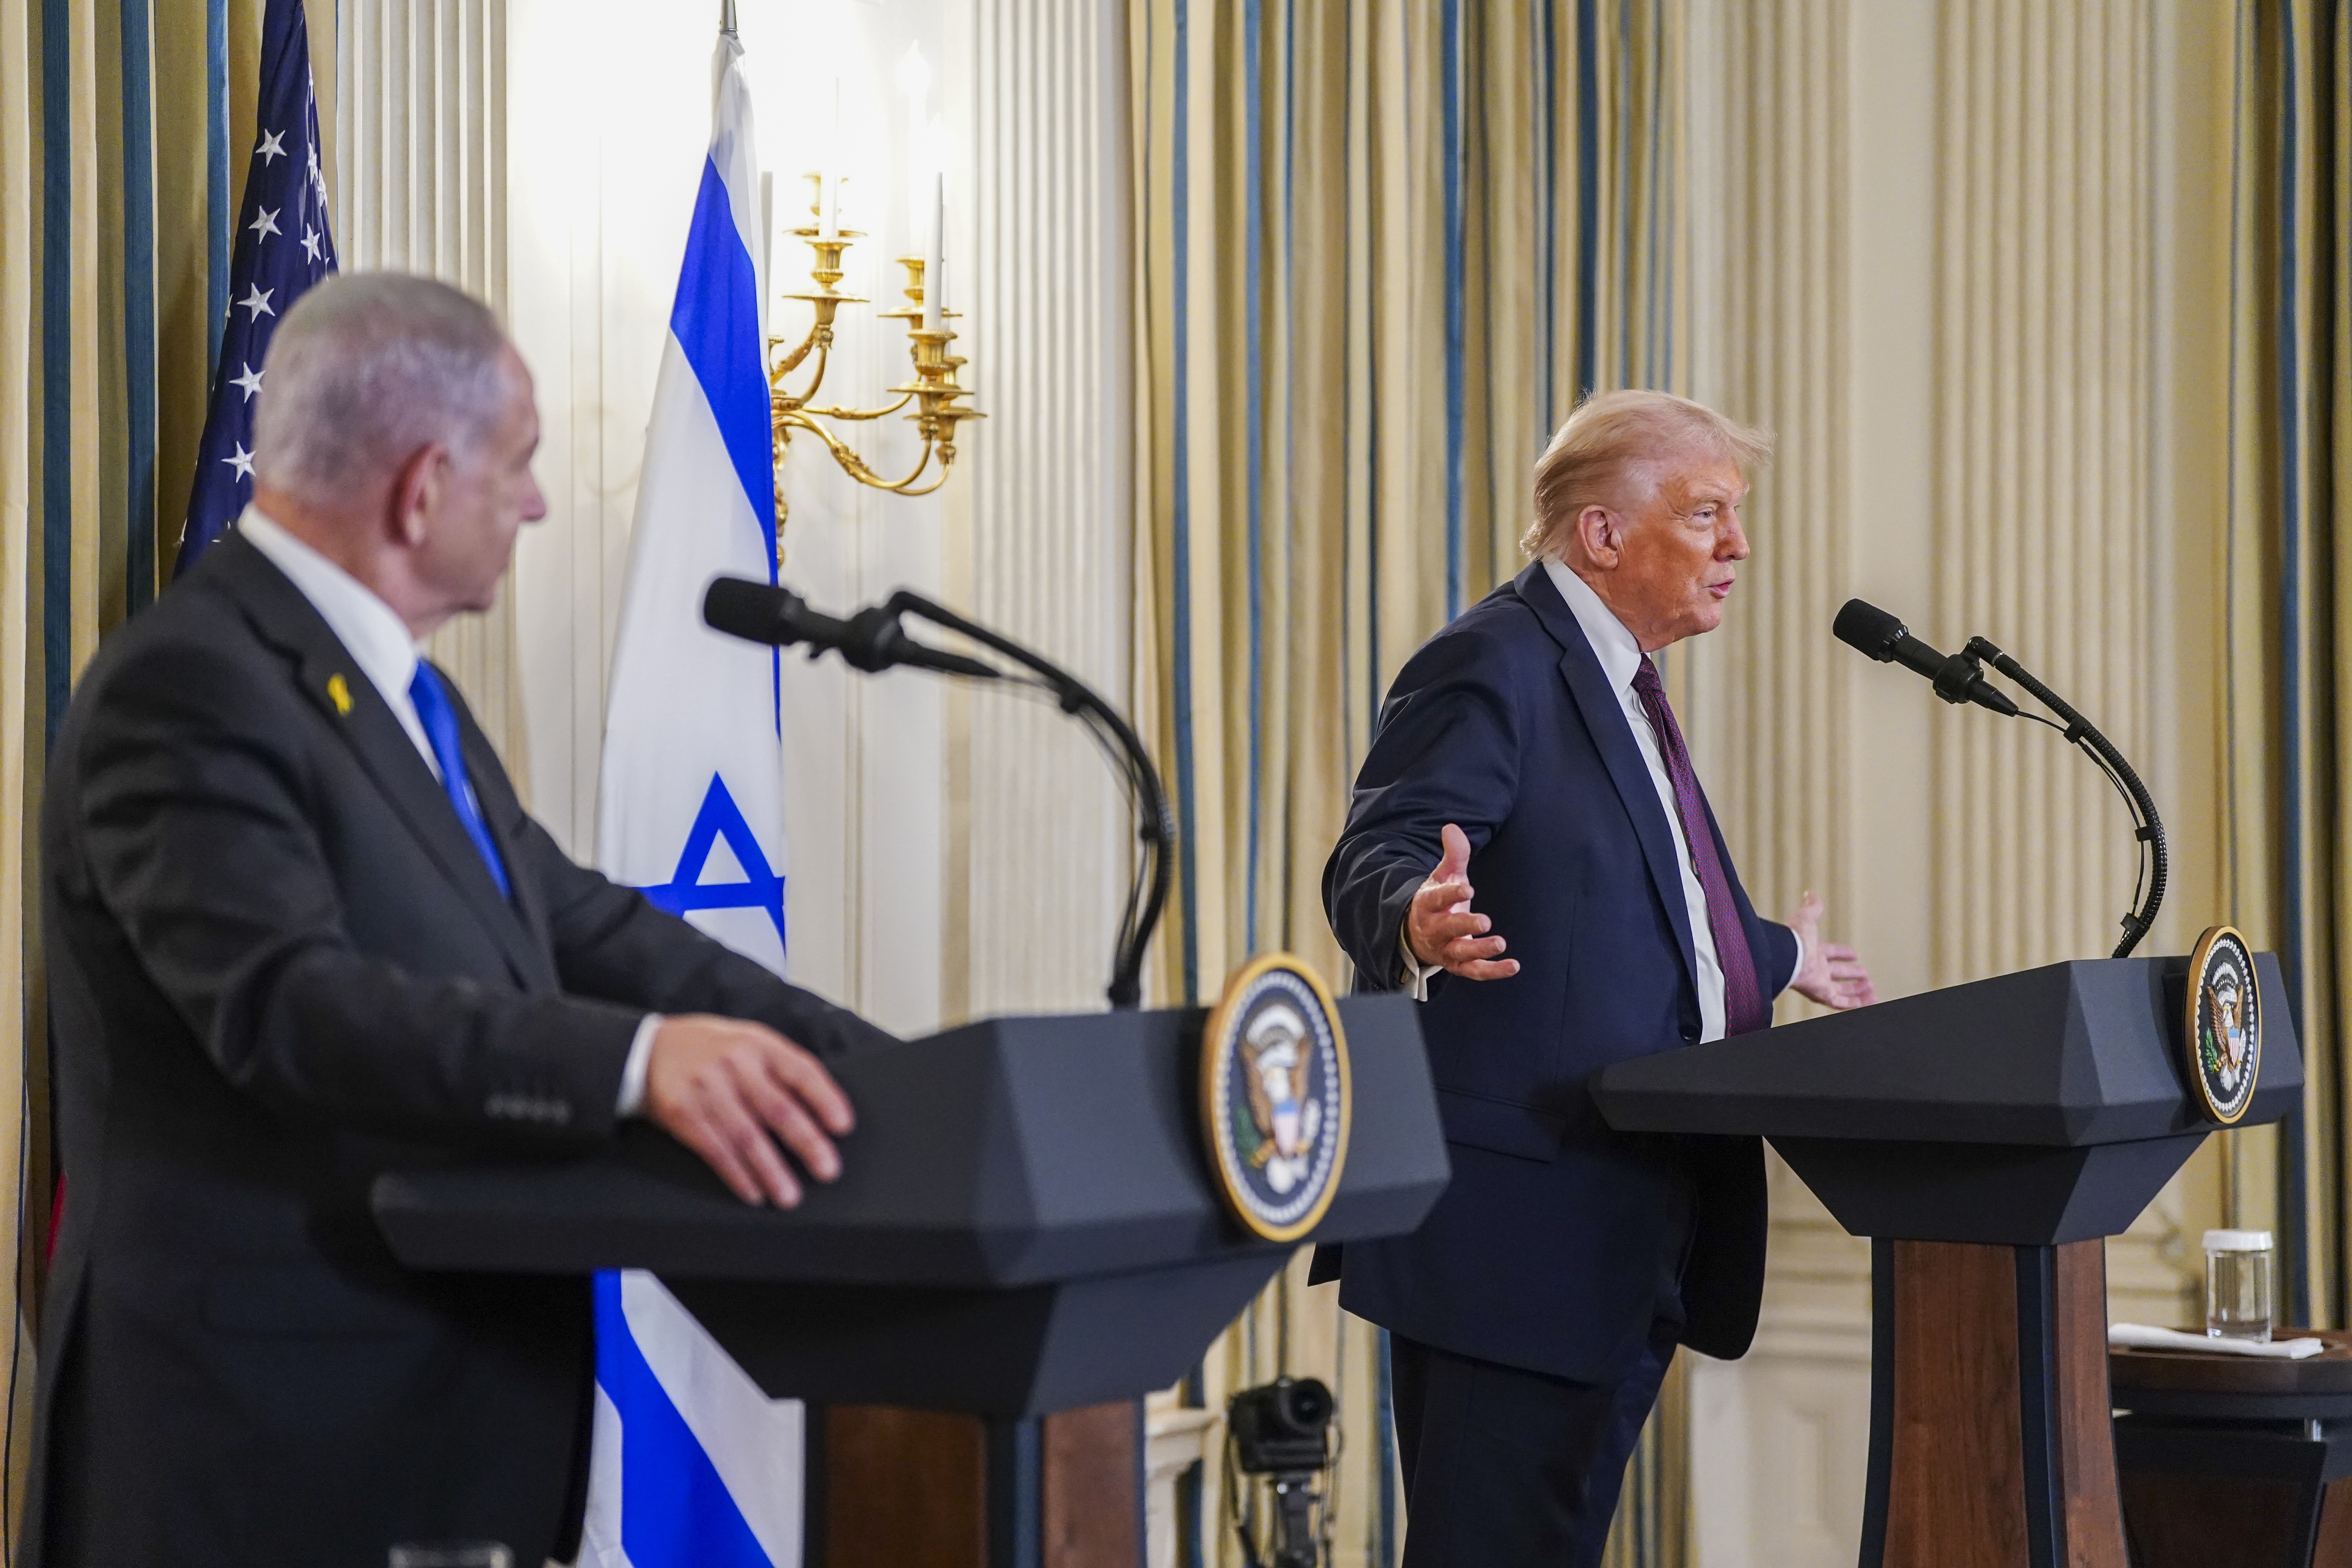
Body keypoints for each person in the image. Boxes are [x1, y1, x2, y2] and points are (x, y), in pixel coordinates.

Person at [28, 273, 893, 1567]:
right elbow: (293, 1008)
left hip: (429, 1434)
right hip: (265, 1449)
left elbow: (577, 920)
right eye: (520, 465)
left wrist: (873, 1066)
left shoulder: (401, 702)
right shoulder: (190, 688)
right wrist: (640, 1066)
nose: (538, 503)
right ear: (424, 486)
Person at [1319, 389, 1876, 1566]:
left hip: (1631, 1225)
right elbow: (1382, 848)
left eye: (1736, 516)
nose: (1738, 546)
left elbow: (1630, 907)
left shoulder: (1621, 684)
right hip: (1516, 1241)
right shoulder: (1495, 658)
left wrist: (1770, 958)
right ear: (1604, 535)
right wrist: (1419, 917)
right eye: (1707, 513)